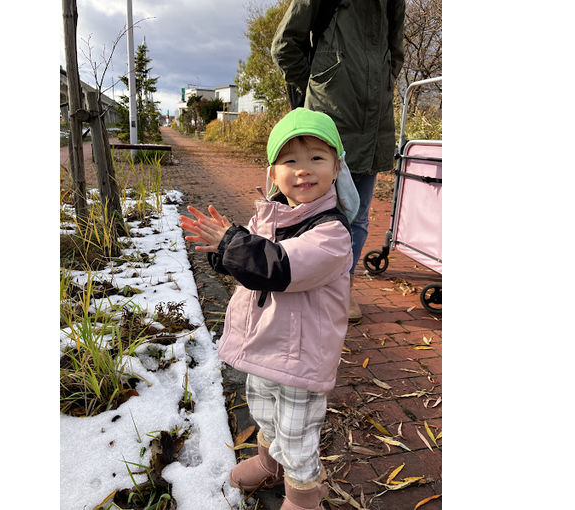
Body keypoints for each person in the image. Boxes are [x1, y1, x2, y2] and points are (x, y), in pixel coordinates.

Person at [179, 108, 357, 510]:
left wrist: (232, 244)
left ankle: (303, 497)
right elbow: (249, 266)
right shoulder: (270, 216)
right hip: (265, 346)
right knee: (265, 414)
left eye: (316, 158)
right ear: (272, 173)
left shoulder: (332, 233)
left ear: (336, 168)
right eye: (289, 160)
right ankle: (268, 463)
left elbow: (278, 267)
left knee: (297, 436)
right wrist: (221, 250)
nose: (303, 170)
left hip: (301, 358)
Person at [271, 0, 406, 320]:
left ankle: (340, 287)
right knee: (306, 210)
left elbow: (395, 51)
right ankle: (298, 284)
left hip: (374, 121)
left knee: (356, 216)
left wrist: (383, 82)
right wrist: (320, 86)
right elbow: (285, 45)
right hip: (328, 120)